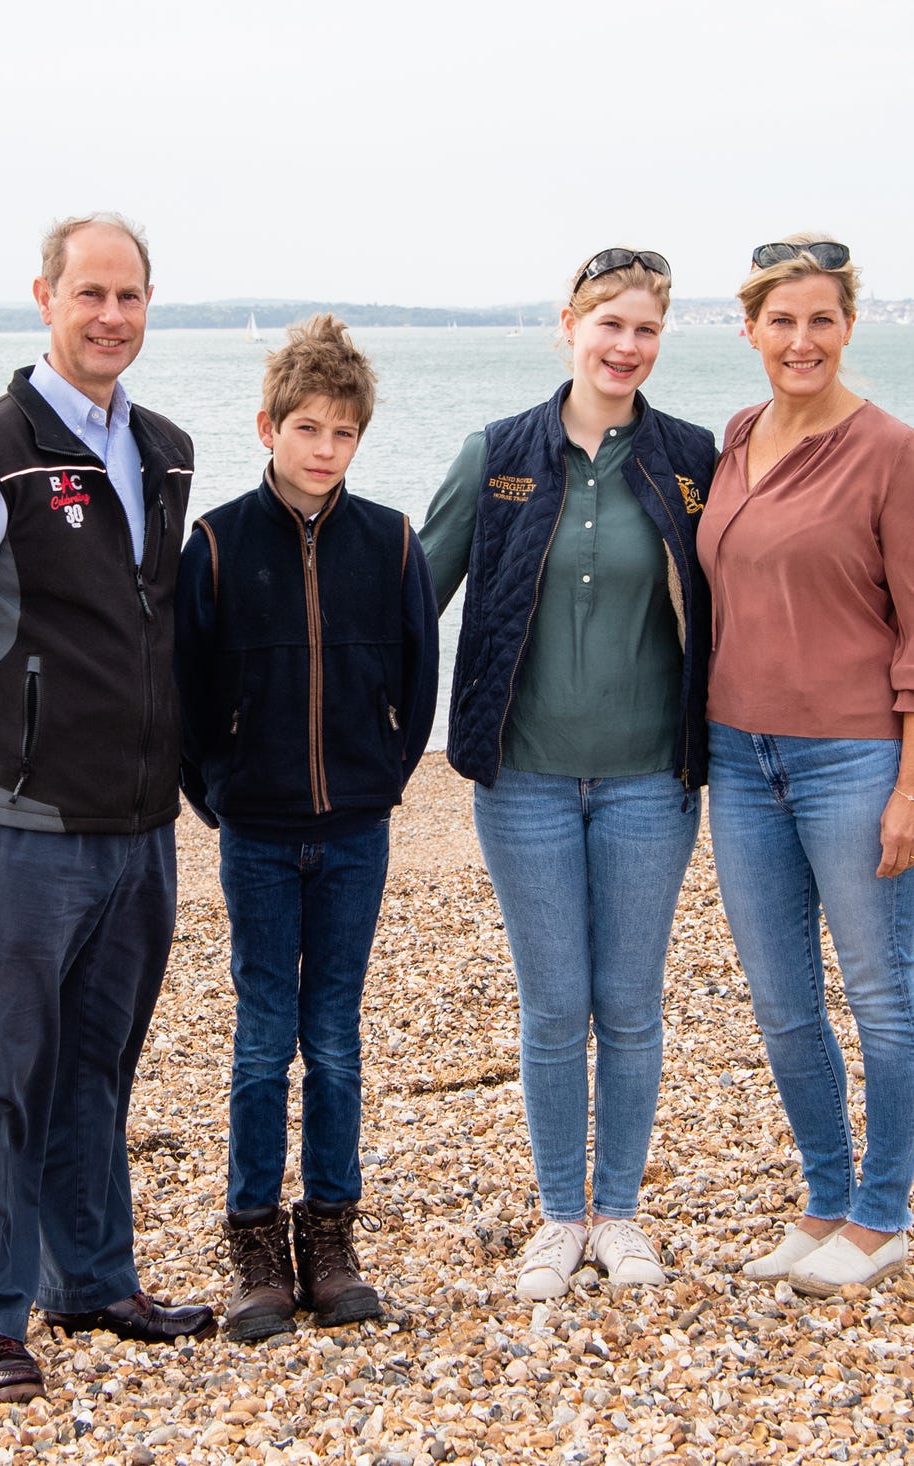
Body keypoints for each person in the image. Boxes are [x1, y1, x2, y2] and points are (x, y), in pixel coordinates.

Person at [0, 213, 215, 1406]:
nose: (111, 315)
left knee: (98, 1066)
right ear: (45, 296)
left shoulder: (163, 446)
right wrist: (13, 735)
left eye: (131, 295)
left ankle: (94, 1277)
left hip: (139, 829)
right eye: (90, 292)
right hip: (20, 827)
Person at [420, 250, 716, 1300]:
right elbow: (413, 593)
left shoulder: (690, 458)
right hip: (525, 781)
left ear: (657, 337)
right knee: (552, 1008)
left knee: (629, 1005)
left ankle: (618, 1210)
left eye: (643, 329)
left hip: (649, 780)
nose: (624, 346)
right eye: (607, 325)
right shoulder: (496, 452)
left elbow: (750, 592)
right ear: (567, 325)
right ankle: (558, 1214)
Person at [174, 315, 439, 1339]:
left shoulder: (392, 539)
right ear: (268, 426)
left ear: (359, 440)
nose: (324, 447)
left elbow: (417, 681)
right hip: (256, 827)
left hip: (354, 831)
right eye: (306, 428)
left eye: (342, 432)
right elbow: (189, 692)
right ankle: (253, 1235)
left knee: (333, 1034)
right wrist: (224, 790)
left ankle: (328, 1232)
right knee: (259, 1037)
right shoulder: (217, 543)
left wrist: (379, 774)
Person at [697, 234, 914, 1297]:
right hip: (737, 757)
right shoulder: (736, 436)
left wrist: (910, 786)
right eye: (779, 320)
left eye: (819, 318)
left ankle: (882, 1212)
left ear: (846, 325)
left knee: (879, 992)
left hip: (853, 756)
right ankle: (823, 1197)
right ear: (748, 329)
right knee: (782, 1000)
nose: (800, 339)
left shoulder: (888, 449)